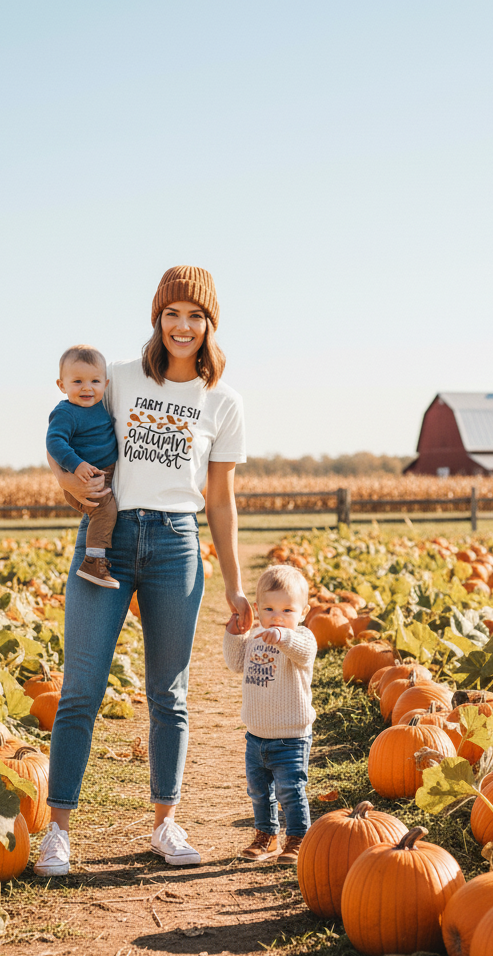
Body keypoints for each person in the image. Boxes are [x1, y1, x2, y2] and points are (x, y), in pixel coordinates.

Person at [35, 265, 252, 877]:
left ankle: (164, 823)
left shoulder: (223, 402)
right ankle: (58, 832)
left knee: (169, 694)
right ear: (157, 320)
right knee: (79, 689)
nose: (183, 326)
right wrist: (66, 482)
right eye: (172, 314)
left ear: (210, 326)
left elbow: (221, 500)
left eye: (195, 316)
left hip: (177, 544)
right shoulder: (120, 380)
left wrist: (234, 581)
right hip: (109, 538)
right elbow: (64, 429)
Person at [223, 564, 316, 865]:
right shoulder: (256, 638)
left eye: (288, 610)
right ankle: (267, 836)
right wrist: (235, 635)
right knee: (259, 792)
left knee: (291, 791)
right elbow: (236, 663)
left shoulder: (302, 638)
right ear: (258, 609)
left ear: (303, 612)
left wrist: (282, 637)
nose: (278, 617)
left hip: (291, 738)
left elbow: (302, 651)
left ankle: (298, 838)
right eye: (269, 608)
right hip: (256, 736)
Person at [46, 345, 120, 588]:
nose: (87, 387)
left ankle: (95, 560)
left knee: (107, 509)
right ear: (61, 385)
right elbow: (54, 442)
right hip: (85, 479)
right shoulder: (66, 412)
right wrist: (76, 466)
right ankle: (93, 563)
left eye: (95, 381)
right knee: (105, 510)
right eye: (77, 381)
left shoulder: (100, 405)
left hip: (103, 474)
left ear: (105, 385)